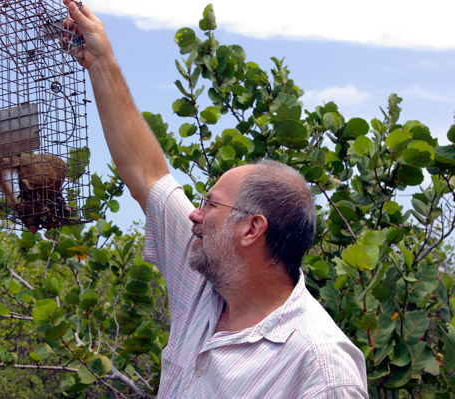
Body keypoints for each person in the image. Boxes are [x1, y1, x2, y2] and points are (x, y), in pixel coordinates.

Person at [64, 2, 369, 398]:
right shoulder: (203, 284)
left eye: (210, 204)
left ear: (251, 228)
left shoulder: (322, 370)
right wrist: (101, 61)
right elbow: (149, 175)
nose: (195, 213)